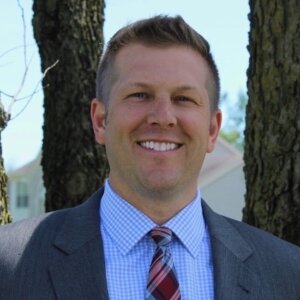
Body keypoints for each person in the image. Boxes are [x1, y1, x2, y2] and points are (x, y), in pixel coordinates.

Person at [0, 15, 299, 300]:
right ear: (101, 120)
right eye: (140, 95)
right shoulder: (8, 263)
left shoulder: (288, 274)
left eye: (184, 98)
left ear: (212, 129)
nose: (163, 117)